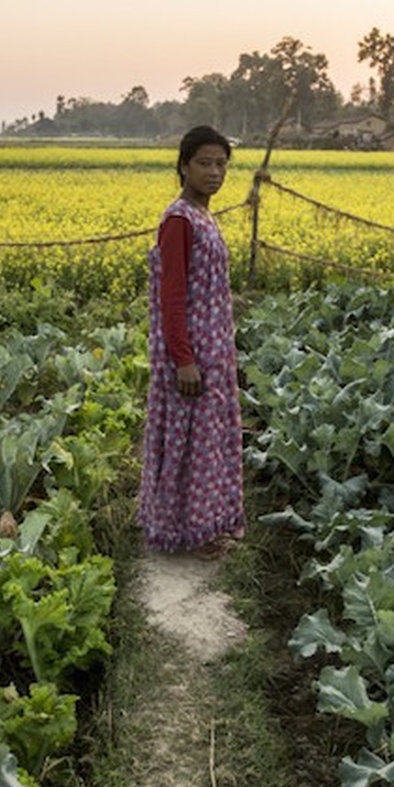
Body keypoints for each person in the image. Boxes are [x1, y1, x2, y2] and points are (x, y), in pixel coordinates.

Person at [138, 125, 245, 557]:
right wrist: (184, 358)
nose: (214, 172)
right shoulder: (179, 220)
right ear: (183, 166)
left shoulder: (202, 214)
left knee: (205, 441)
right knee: (187, 444)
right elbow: (172, 296)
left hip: (212, 350)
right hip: (191, 353)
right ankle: (186, 533)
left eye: (221, 164)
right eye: (204, 163)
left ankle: (203, 526)